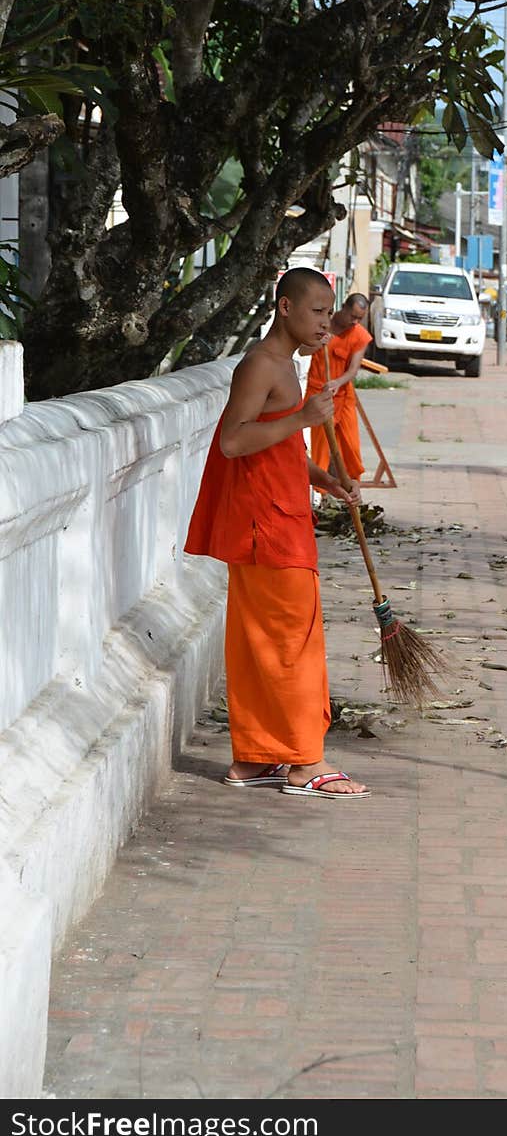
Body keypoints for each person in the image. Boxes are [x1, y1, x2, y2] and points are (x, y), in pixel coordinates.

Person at [184, 268, 370, 799]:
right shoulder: (261, 365)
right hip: (268, 528)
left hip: (277, 516)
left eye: (329, 313)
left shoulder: (286, 365)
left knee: (260, 643)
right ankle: (305, 763)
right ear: (284, 308)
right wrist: (305, 416)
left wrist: (324, 479)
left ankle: (254, 758)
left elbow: (281, 449)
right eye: (316, 312)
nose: (327, 324)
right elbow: (234, 443)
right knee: (295, 643)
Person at [305, 292, 372, 481]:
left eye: (360, 318)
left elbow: (353, 370)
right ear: (343, 307)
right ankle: (319, 490)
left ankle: (351, 486)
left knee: (350, 445)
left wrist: (337, 382)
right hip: (317, 392)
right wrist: (318, 343)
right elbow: (302, 350)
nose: (355, 322)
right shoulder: (322, 325)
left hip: (342, 394)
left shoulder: (360, 335)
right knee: (321, 444)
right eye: (353, 316)